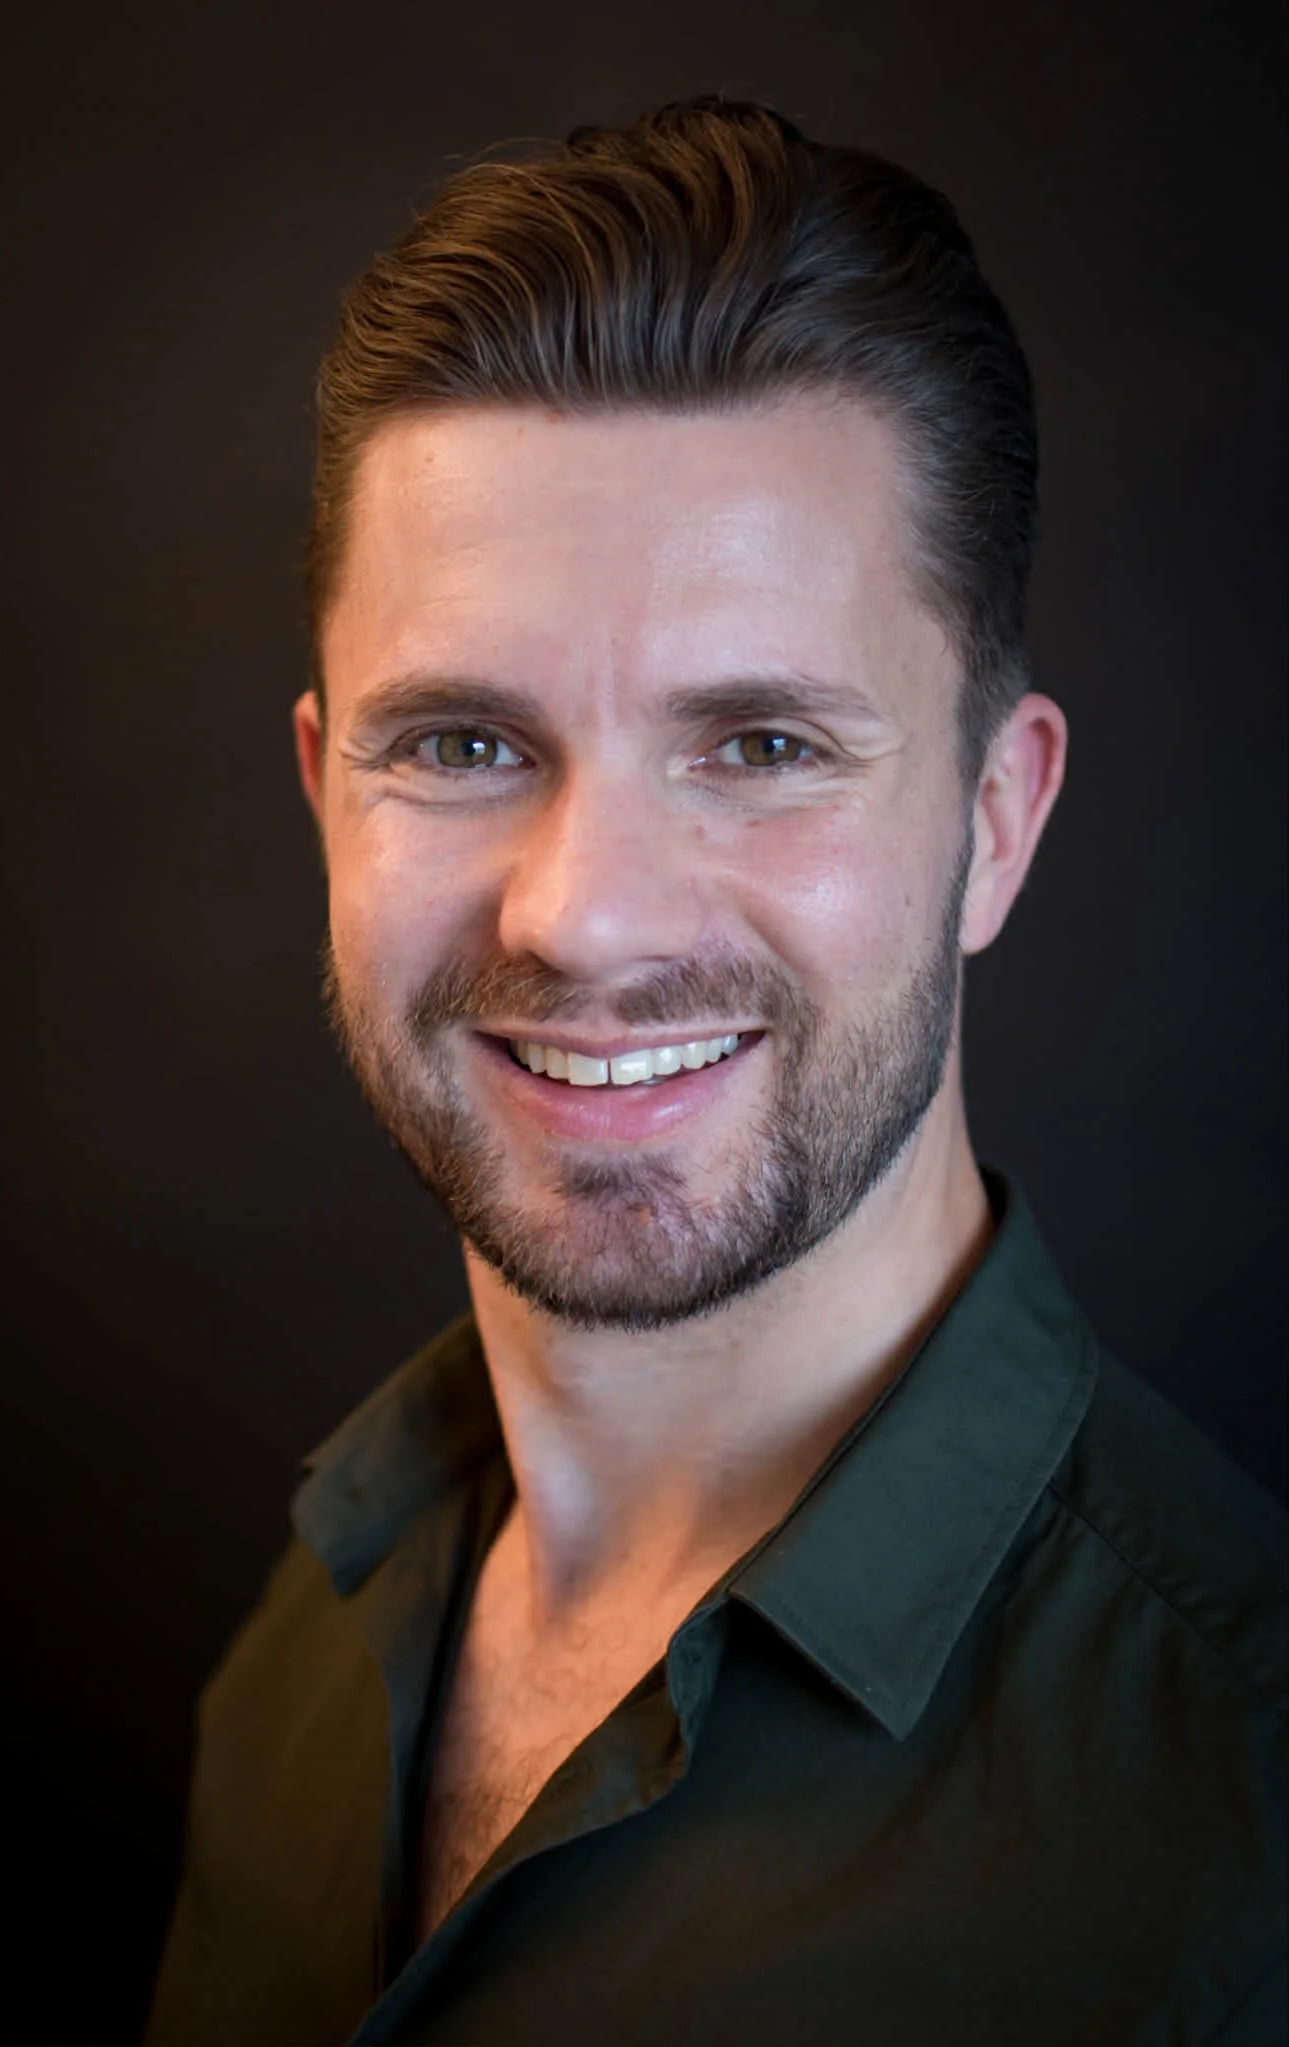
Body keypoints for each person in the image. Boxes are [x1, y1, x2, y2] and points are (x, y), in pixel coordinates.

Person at [145, 95, 1286, 2046]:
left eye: (759, 746)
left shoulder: (1234, 1852)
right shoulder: (304, 1642)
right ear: (326, 792)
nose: (584, 920)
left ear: (994, 825)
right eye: (463, 744)